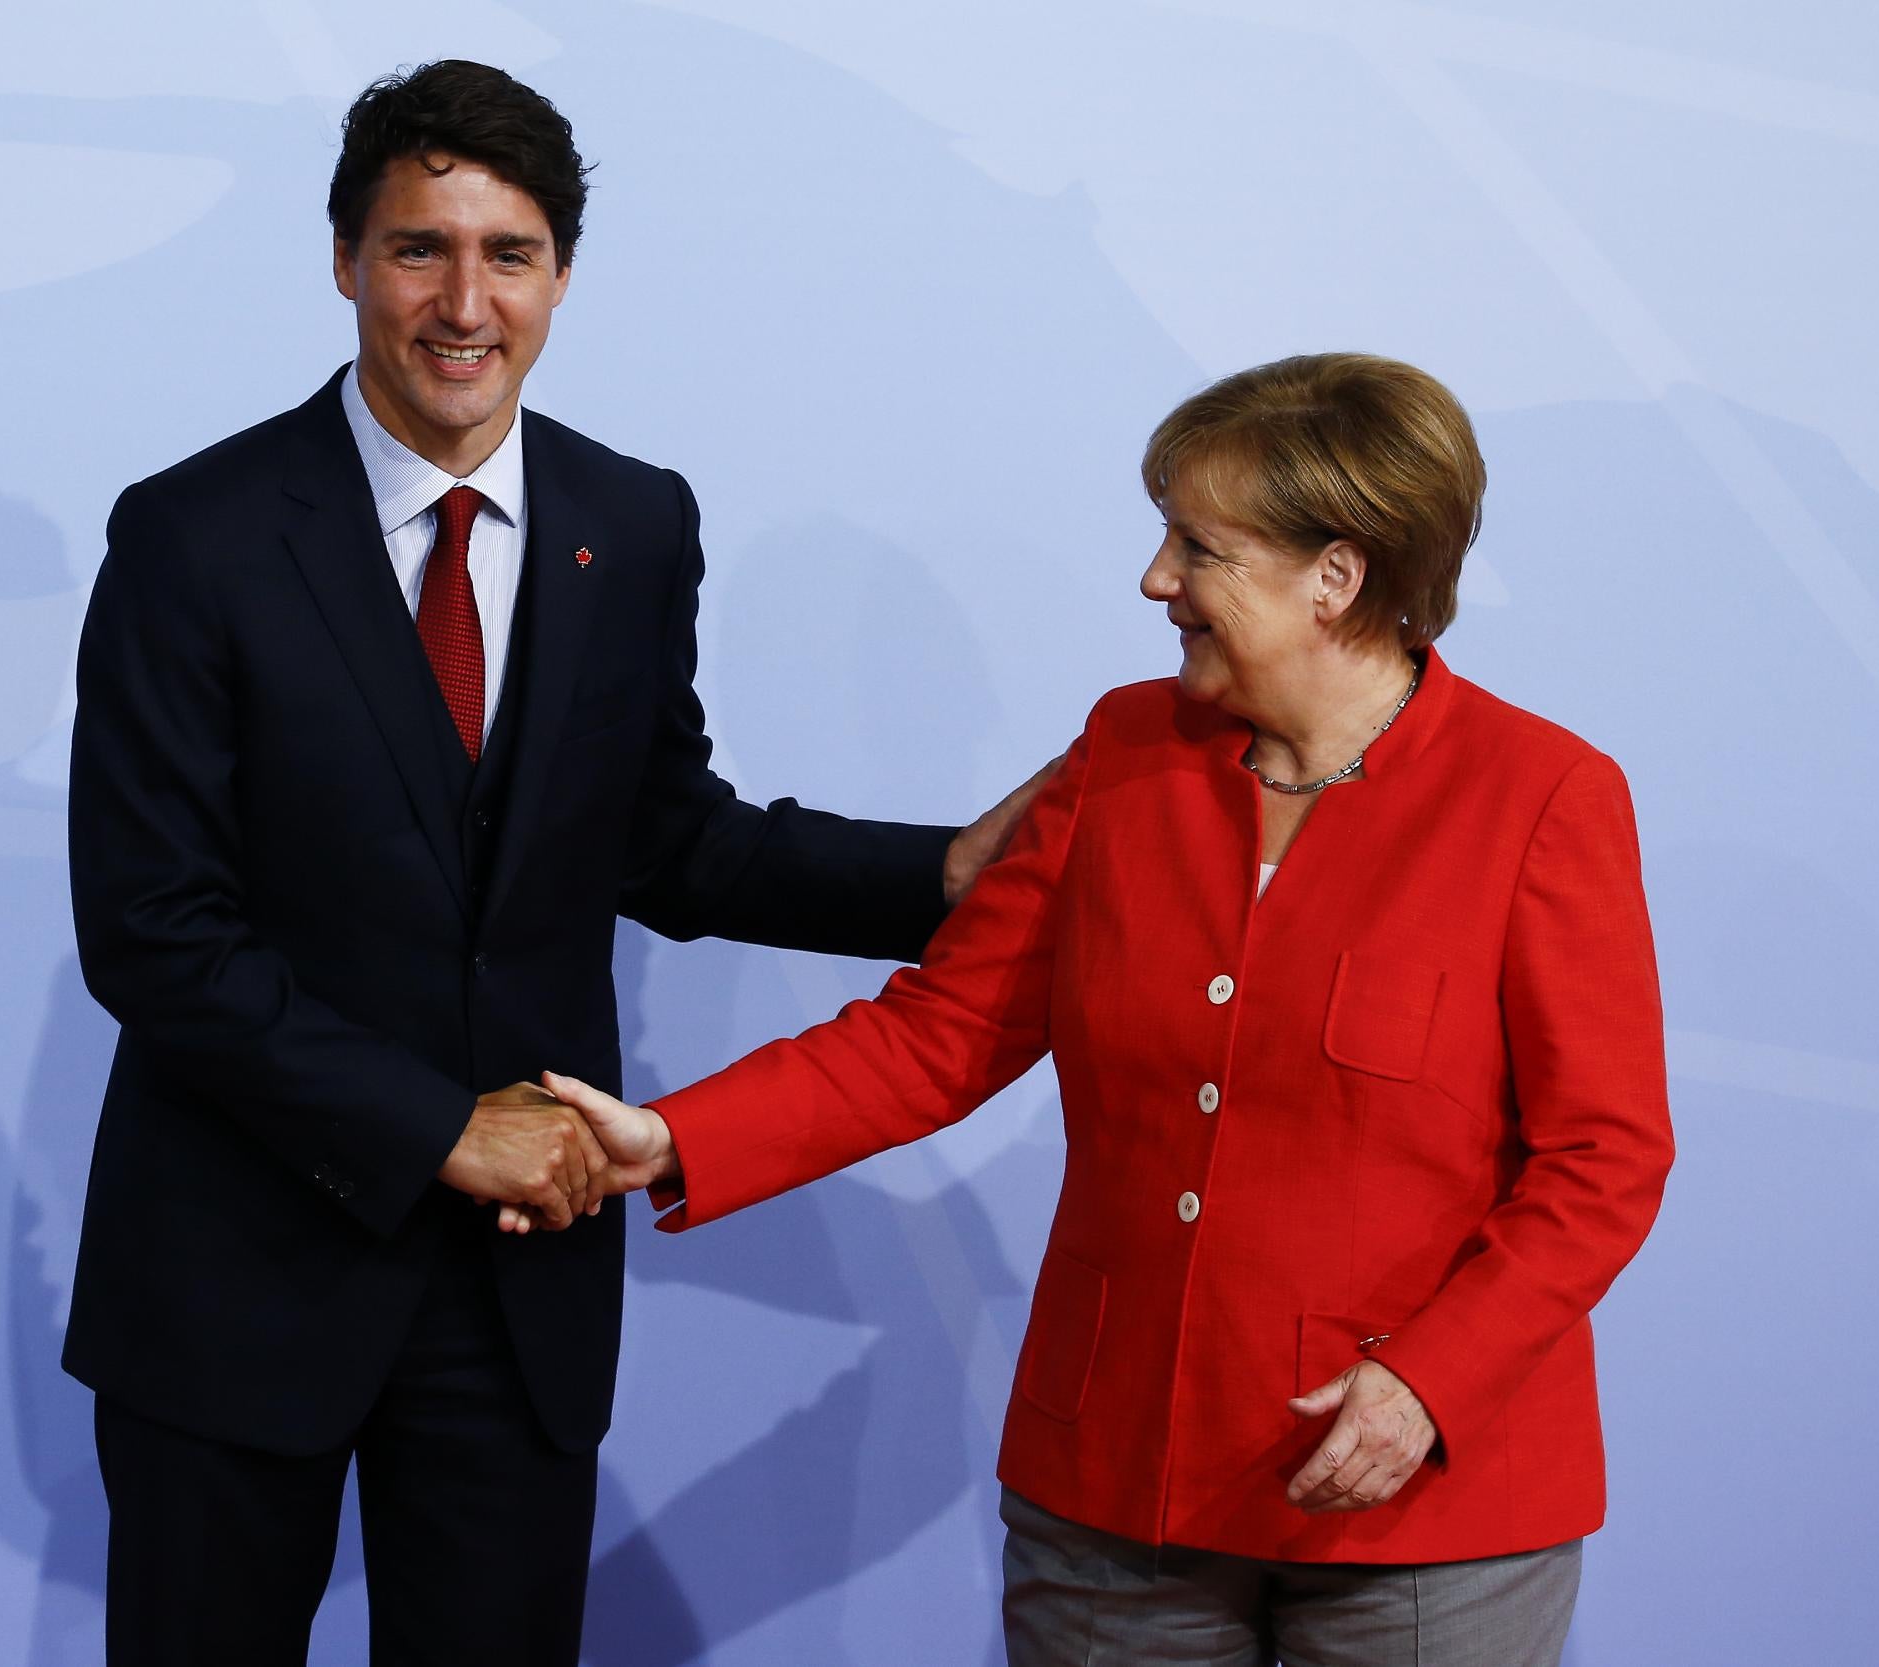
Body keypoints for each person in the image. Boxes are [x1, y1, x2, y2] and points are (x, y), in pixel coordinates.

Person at [61, 59, 1046, 1666]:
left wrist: (940, 874)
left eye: (509, 254)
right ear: (343, 262)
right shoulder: (195, 533)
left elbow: (663, 833)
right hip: (241, 1279)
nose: (465, 302)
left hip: (515, 1292)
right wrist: (442, 1128)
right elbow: (156, 934)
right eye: (417, 249)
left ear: (562, 277)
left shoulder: (631, 518)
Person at [554, 353, 1674, 1666]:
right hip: (1117, 1491)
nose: (1156, 582)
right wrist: (675, 1136)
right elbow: (943, 1035)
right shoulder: (1124, 752)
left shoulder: (1541, 797)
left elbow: (1606, 1157)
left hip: (1421, 1513)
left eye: (1198, 548)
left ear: (1338, 574)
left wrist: (1429, 1384)